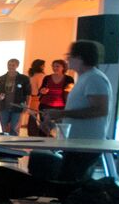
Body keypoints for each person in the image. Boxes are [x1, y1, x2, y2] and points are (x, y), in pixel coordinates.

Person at [43, 40, 113, 181]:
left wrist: (62, 113)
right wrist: (57, 118)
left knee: (71, 183)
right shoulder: (85, 78)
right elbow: (80, 109)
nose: (67, 59)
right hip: (77, 144)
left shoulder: (94, 78)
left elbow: (100, 110)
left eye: (70, 56)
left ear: (80, 58)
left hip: (86, 145)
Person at [0, 59, 32, 136]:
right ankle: (4, 142)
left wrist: (27, 105)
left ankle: (14, 142)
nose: (11, 67)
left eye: (13, 65)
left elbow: (28, 94)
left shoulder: (24, 79)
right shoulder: (1, 78)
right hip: (3, 106)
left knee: (14, 129)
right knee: (4, 128)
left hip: (17, 107)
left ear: (17, 66)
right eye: (9, 65)